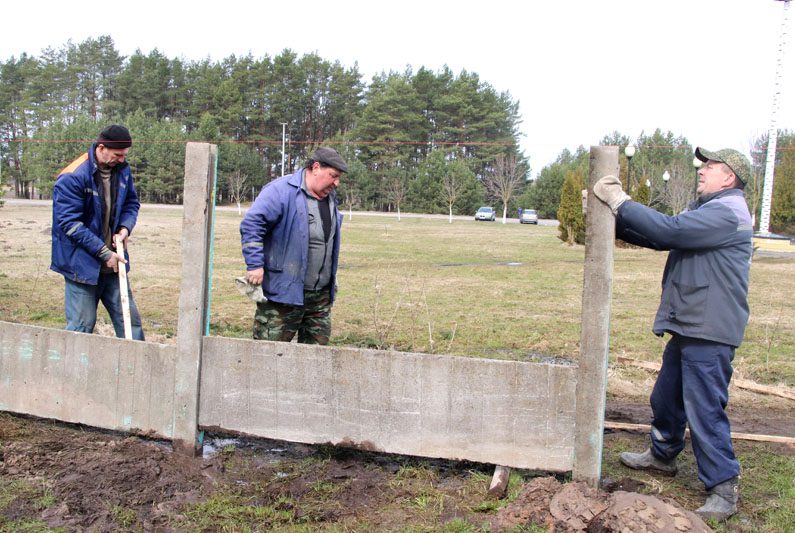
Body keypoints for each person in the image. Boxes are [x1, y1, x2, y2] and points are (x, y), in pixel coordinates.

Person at [593, 147, 753, 522]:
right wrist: (611, 217)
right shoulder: (710, 210)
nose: (702, 170)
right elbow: (661, 237)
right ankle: (662, 456)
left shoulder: (727, 213)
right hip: (692, 323)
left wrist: (622, 201)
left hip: (710, 328)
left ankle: (723, 487)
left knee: (705, 408)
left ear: (728, 177)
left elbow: (670, 229)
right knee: (666, 396)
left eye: (710, 166)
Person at [240, 147, 347, 345]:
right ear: (316, 168)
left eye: (338, 178)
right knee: (268, 356)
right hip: (283, 295)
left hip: (319, 298)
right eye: (333, 176)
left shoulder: (329, 198)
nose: (336, 183)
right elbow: (252, 224)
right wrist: (255, 264)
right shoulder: (280, 190)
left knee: (315, 360)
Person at [50, 125, 145, 340]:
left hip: (114, 264)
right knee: (81, 329)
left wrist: (125, 227)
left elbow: (131, 202)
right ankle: (73, 371)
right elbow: (70, 224)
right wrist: (104, 253)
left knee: (131, 325)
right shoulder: (73, 176)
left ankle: (137, 371)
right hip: (81, 266)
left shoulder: (122, 170)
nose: (122, 159)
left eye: (124, 155)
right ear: (102, 148)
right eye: (117, 155)